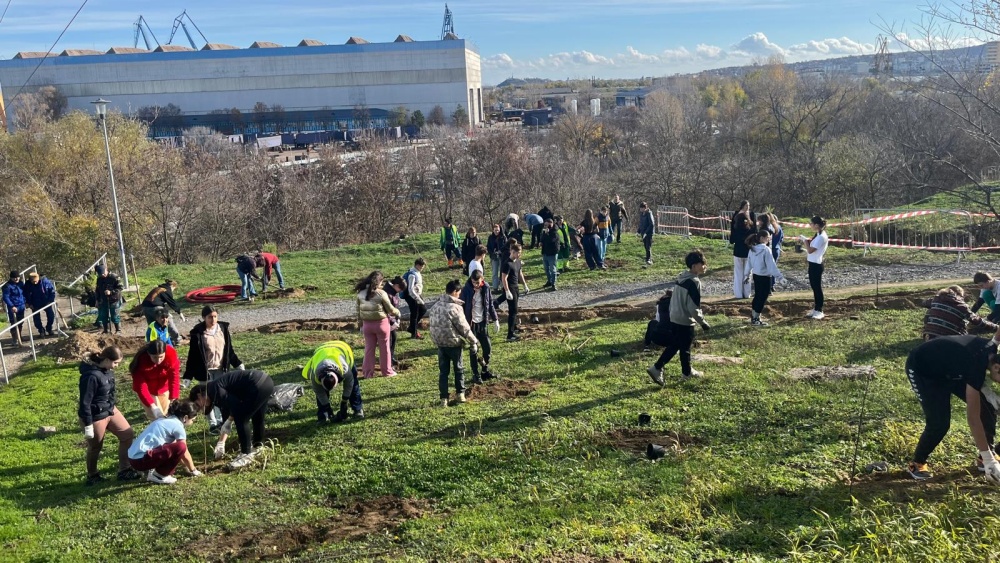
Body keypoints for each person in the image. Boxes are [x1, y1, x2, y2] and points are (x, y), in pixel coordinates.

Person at [905, 335, 1000, 482]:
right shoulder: (976, 367)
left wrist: (988, 394)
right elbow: (973, 418)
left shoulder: (992, 349)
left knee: (987, 407)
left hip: (952, 370)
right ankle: (917, 463)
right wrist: (989, 460)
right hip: (924, 370)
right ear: (996, 367)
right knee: (939, 422)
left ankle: (986, 456)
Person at [78, 346, 142, 485]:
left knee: (127, 434)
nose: (117, 366)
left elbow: (111, 392)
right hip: (95, 416)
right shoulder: (91, 377)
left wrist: (112, 406)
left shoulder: (108, 372)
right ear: (106, 359)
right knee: (96, 446)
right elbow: (85, 402)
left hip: (110, 410)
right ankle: (92, 475)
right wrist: (88, 424)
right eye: (115, 363)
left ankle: (124, 470)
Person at [647, 250, 712, 385]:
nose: (705, 266)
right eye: (702, 264)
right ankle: (659, 368)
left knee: (678, 345)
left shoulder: (681, 277)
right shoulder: (694, 282)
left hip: (675, 316)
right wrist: (703, 322)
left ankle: (686, 371)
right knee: (684, 347)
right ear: (694, 266)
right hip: (685, 319)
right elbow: (693, 307)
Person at [189, 369, 275, 470]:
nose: (200, 407)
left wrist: (229, 421)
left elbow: (236, 407)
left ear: (199, 395)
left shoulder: (215, 391)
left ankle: (246, 454)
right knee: (258, 417)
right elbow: (228, 414)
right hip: (266, 381)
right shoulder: (214, 391)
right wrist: (221, 442)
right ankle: (258, 447)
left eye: (198, 404)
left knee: (241, 419)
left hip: (257, 385)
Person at [184, 304, 244, 432]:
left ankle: (222, 420)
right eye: (210, 317)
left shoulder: (223, 329)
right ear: (204, 318)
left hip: (221, 369)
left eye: (215, 316)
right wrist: (188, 376)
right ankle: (212, 424)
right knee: (206, 397)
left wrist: (237, 363)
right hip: (205, 372)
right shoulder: (198, 333)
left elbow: (229, 350)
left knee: (220, 396)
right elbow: (192, 356)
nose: (213, 320)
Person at [430, 279, 480, 407]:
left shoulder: (435, 306)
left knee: (443, 372)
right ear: (454, 292)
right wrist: (473, 341)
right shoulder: (455, 308)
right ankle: (460, 394)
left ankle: (444, 399)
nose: (459, 295)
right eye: (459, 292)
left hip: (440, 343)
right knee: (458, 369)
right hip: (453, 344)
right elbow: (464, 328)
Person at [128, 400, 202, 485]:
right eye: (192, 420)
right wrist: (193, 470)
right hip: (140, 460)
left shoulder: (164, 420)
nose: (192, 422)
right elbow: (184, 452)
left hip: (133, 458)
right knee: (181, 446)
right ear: (185, 418)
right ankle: (159, 475)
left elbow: (175, 452)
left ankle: (157, 471)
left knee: (175, 446)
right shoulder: (178, 426)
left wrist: (185, 466)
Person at [302, 340, 363, 423]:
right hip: (321, 350)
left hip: (342, 348)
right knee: (322, 392)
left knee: (354, 384)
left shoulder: (344, 368)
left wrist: (344, 402)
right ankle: (323, 416)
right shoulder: (314, 375)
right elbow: (320, 393)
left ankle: (358, 410)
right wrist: (327, 407)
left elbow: (349, 384)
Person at [355, 271, 400, 379]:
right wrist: (398, 312)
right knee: (384, 349)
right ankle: (387, 372)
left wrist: (360, 325)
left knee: (369, 349)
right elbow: (390, 310)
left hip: (367, 325)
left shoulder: (360, 293)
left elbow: (358, 312)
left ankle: (367, 373)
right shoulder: (381, 293)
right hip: (381, 324)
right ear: (379, 281)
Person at [460, 270, 498, 384]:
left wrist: (495, 319)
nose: (475, 285)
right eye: (473, 282)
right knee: (474, 350)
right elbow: (461, 307)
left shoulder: (486, 288)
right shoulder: (466, 290)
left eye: (477, 282)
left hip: (482, 323)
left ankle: (484, 371)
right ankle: (475, 374)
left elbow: (490, 304)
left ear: (482, 280)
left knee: (487, 348)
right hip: (471, 324)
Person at [130, 340, 181, 421]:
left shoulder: (171, 358)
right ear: (149, 354)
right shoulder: (140, 362)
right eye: (154, 357)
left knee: (167, 414)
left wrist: (173, 398)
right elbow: (141, 386)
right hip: (149, 392)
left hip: (164, 389)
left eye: (161, 357)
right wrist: (152, 405)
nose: (158, 361)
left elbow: (174, 378)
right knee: (156, 417)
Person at [924, 286, 999, 340]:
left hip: (929, 337)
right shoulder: (961, 306)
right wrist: (996, 327)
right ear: (959, 295)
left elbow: (924, 303)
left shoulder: (936, 299)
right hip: (950, 339)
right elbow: (977, 321)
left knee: (930, 311)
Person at [744, 230, 786, 327]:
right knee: (762, 298)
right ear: (762, 238)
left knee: (757, 296)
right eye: (768, 238)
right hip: (765, 277)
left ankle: (754, 316)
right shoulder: (766, 250)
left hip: (756, 276)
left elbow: (748, 263)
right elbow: (771, 266)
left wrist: (747, 275)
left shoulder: (752, 249)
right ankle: (756, 319)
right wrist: (780, 277)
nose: (769, 239)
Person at [495, 243, 529, 342]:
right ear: (512, 252)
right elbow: (504, 278)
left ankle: (514, 327)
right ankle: (510, 335)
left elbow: (520, 273)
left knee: (515, 310)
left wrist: (524, 285)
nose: (519, 254)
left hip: (516, 287)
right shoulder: (507, 264)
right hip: (510, 289)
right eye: (518, 253)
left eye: (520, 253)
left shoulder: (518, 262)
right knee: (513, 311)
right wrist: (507, 291)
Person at [799, 216, 829, 320]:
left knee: (817, 288)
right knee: (814, 287)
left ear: (816, 225)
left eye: (811, 224)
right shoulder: (818, 234)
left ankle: (819, 310)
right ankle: (816, 308)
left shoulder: (821, 237)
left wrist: (804, 241)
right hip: (813, 263)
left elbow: (811, 250)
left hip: (816, 265)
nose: (810, 225)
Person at [23, 272, 57, 337]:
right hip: (35, 303)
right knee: (36, 318)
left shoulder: (45, 282)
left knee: (51, 316)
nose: (35, 283)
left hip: (46, 301)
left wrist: (50, 300)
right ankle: (41, 330)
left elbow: (52, 292)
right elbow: (26, 294)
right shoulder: (27, 285)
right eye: (33, 282)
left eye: (36, 281)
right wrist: (29, 303)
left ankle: (49, 328)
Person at [383, 276, 406, 370]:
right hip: (387, 320)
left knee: (393, 338)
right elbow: (387, 310)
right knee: (389, 341)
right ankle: (388, 362)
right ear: (396, 285)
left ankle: (391, 357)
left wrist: (396, 319)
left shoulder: (394, 292)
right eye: (400, 289)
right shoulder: (387, 293)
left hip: (392, 320)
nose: (400, 291)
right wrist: (392, 322)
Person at [730, 211, 754, 299]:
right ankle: (747, 294)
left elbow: (731, 241)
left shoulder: (735, 229)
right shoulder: (750, 229)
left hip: (738, 252)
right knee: (747, 273)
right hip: (747, 253)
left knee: (738, 274)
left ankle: (738, 294)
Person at [94, 265, 124, 334]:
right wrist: (97, 300)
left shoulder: (114, 277)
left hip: (114, 300)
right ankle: (106, 331)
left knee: (114, 316)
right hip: (103, 300)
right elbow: (97, 290)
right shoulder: (99, 279)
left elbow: (120, 287)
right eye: (100, 274)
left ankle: (118, 330)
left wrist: (111, 292)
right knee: (104, 316)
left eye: (103, 273)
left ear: (106, 270)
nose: (102, 275)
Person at [402, 258, 427, 339]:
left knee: (422, 310)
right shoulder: (412, 275)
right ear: (417, 265)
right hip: (412, 296)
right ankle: (414, 333)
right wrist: (418, 299)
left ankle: (412, 328)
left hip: (416, 294)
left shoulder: (416, 272)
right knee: (415, 314)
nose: (422, 268)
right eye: (421, 266)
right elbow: (411, 289)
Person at [2, 270, 26, 346]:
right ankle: (14, 338)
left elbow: (24, 293)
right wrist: (12, 306)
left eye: (17, 277)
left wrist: (25, 301)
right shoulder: (7, 286)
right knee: (14, 322)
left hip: (21, 305)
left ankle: (19, 336)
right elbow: (6, 297)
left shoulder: (21, 284)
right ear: (11, 278)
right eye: (14, 277)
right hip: (13, 307)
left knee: (20, 322)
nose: (16, 279)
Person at [539, 218, 562, 290]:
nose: (545, 226)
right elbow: (542, 238)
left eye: (547, 224)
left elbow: (551, 240)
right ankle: (549, 281)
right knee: (546, 268)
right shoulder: (545, 231)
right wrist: (541, 242)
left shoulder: (555, 232)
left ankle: (553, 283)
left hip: (552, 253)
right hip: (545, 252)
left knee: (553, 269)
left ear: (551, 224)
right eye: (545, 225)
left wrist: (547, 233)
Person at [486, 224, 507, 290]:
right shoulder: (490, 237)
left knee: (502, 272)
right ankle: (495, 287)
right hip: (494, 257)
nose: (496, 232)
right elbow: (488, 247)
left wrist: (500, 251)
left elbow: (506, 246)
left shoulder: (503, 237)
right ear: (493, 230)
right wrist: (492, 254)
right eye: (495, 230)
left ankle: (502, 286)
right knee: (494, 272)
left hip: (502, 256)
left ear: (500, 230)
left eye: (497, 230)